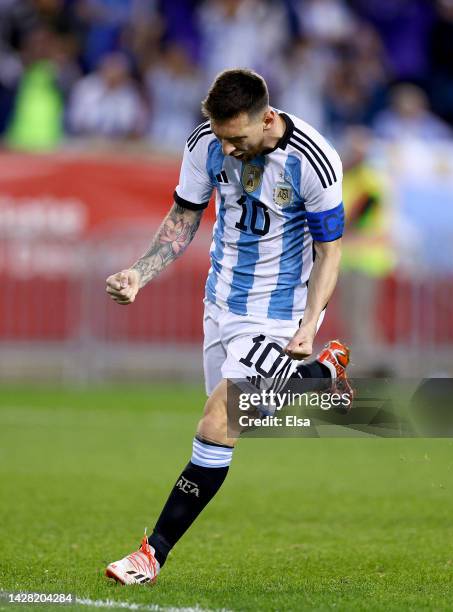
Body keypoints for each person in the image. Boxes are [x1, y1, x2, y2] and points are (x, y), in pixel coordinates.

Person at [104, 68, 352, 585]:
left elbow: (330, 252)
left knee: (219, 420)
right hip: (220, 304)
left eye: (238, 138)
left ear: (267, 118)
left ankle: (151, 554)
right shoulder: (206, 143)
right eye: (222, 138)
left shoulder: (314, 159)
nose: (229, 149)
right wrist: (139, 273)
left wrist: (308, 325)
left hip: (281, 314)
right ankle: (322, 376)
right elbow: (184, 215)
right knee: (240, 421)